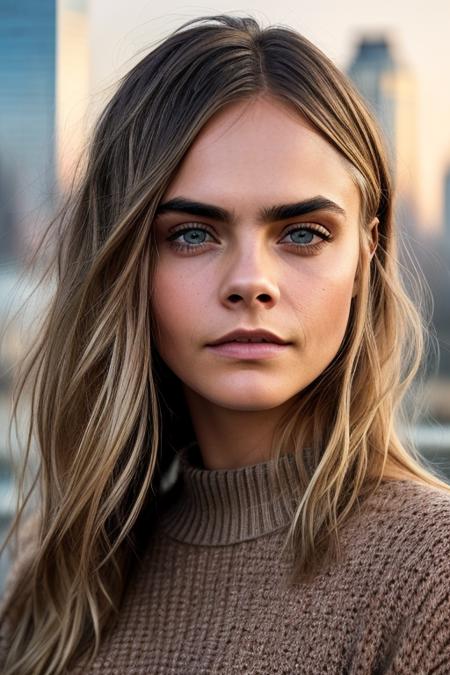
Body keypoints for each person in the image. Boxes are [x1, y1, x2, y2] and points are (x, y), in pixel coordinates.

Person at [0, 13, 449, 675]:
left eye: (301, 233)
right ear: (127, 263)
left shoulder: (431, 576)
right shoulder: (56, 579)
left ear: (366, 251)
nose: (250, 283)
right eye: (192, 234)